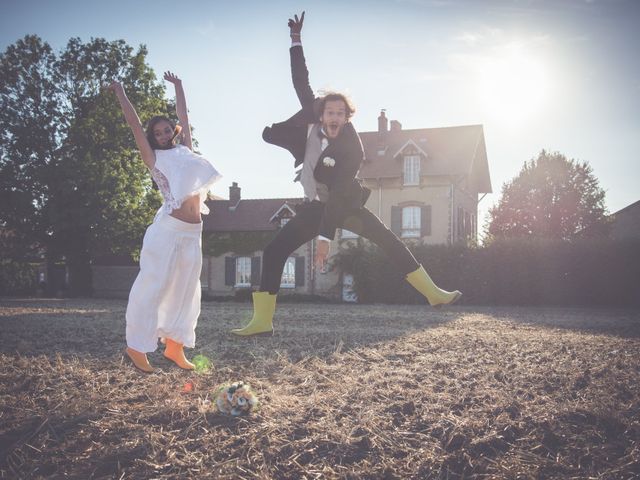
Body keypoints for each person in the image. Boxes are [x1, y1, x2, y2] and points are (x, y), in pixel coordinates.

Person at [231, 12, 461, 337]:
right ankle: (262, 321)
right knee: (274, 250)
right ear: (321, 113)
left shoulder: (352, 149)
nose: (334, 117)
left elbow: (339, 196)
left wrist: (326, 240)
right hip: (316, 206)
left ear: (348, 117)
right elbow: (301, 80)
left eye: (341, 113)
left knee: (387, 240)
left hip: (347, 204)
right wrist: (295, 41)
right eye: (329, 112)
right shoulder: (312, 119)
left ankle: (434, 293)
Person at [110, 72, 221, 372]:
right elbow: (134, 124)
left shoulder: (187, 149)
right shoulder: (154, 158)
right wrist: (120, 92)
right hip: (168, 232)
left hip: (193, 233)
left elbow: (184, 113)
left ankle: (174, 347)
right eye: (156, 133)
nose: (161, 135)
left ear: (173, 130)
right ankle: (136, 347)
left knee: (186, 290)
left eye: (165, 130)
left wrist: (180, 87)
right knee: (154, 286)